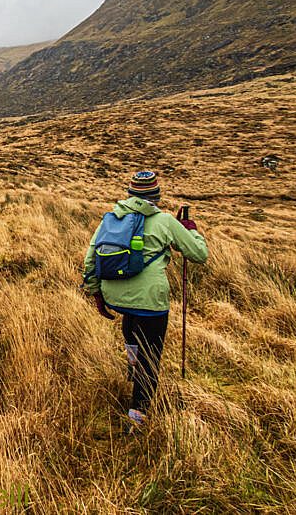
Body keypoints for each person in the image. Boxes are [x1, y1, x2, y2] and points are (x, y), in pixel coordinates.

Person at [82, 171, 208, 426]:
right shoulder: (164, 221)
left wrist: (96, 294)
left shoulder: (112, 217)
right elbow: (199, 254)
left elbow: (90, 258)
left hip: (115, 295)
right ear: (156, 196)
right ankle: (138, 416)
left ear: (130, 194)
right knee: (151, 357)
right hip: (149, 301)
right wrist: (191, 230)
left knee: (133, 334)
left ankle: (133, 371)